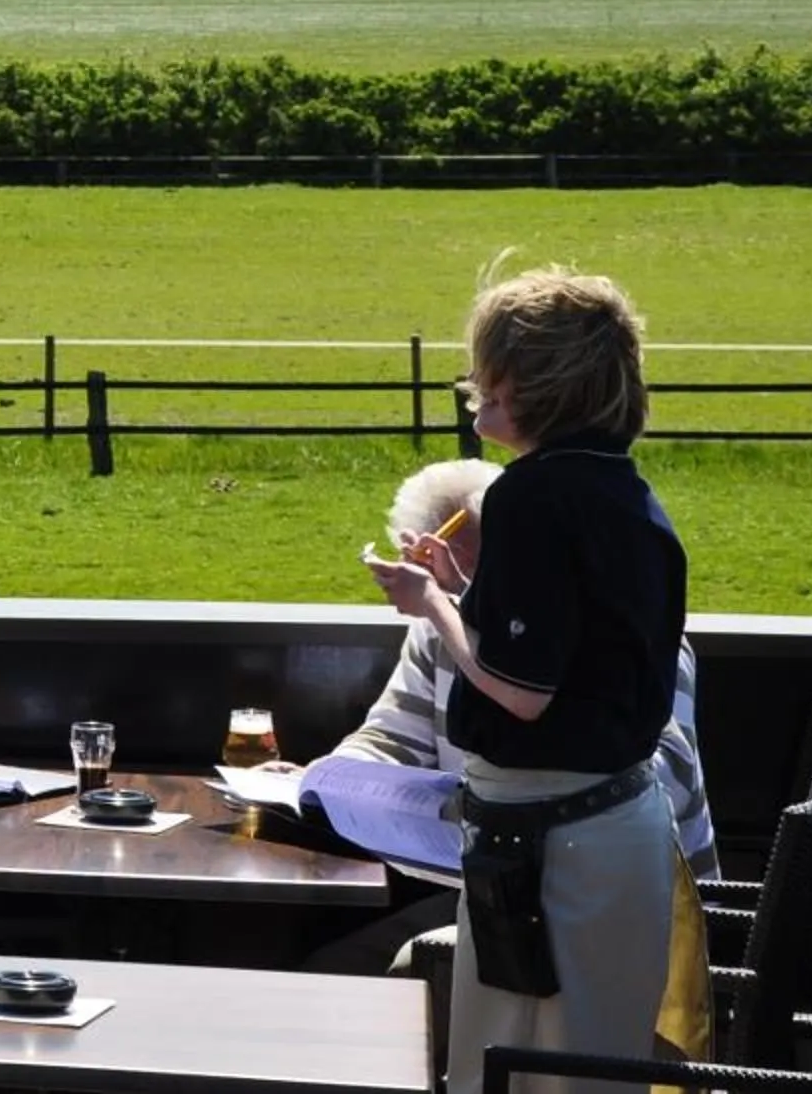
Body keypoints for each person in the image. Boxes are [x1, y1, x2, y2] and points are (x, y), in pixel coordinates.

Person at [365, 267, 688, 1094]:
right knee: (573, 1075)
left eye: (492, 379)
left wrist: (431, 602)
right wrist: (475, 595)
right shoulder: (614, 487)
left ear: (537, 385)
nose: (478, 398)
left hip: (560, 848)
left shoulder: (533, 497)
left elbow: (523, 691)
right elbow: (570, 650)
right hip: (591, 837)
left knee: (526, 1075)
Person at [297, 457, 716, 976]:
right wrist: (325, 783)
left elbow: (662, 787)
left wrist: (488, 803)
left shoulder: (635, 644)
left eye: (489, 567)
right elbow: (389, 737)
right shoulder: (440, 629)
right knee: (324, 960)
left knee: (390, 971)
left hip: (635, 910)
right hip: (502, 888)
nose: (477, 589)